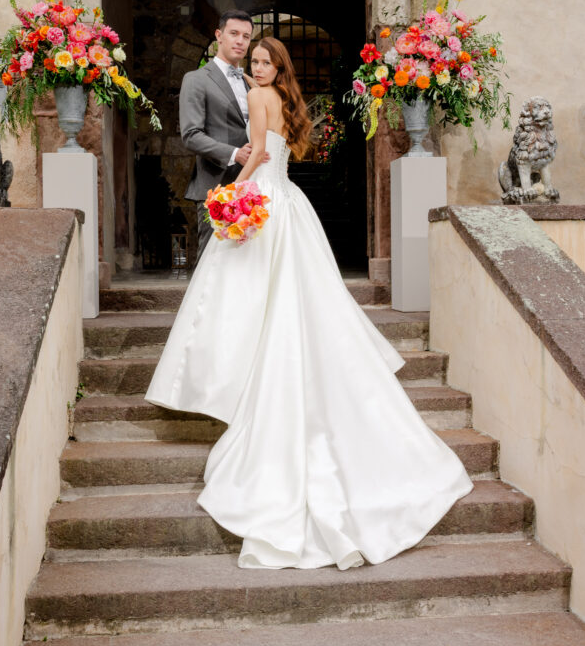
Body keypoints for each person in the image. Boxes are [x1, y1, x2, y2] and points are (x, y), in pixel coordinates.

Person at [146, 37, 473, 570]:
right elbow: (284, 152)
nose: (255, 67)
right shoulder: (287, 102)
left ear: (277, 67)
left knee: (244, 293)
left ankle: (238, 372)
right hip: (289, 201)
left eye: (263, 62)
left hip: (263, 198)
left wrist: (231, 192)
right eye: (252, 61)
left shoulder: (257, 99)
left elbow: (256, 156)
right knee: (292, 291)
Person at [179, 10, 267, 261]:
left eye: (246, 36)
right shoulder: (196, 79)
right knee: (212, 267)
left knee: (249, 268)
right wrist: (234, 154)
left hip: (253, 189)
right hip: (215, 188)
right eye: (234, 34)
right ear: (219, 35)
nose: (240, 41)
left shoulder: (253, 83)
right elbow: (191, 135)